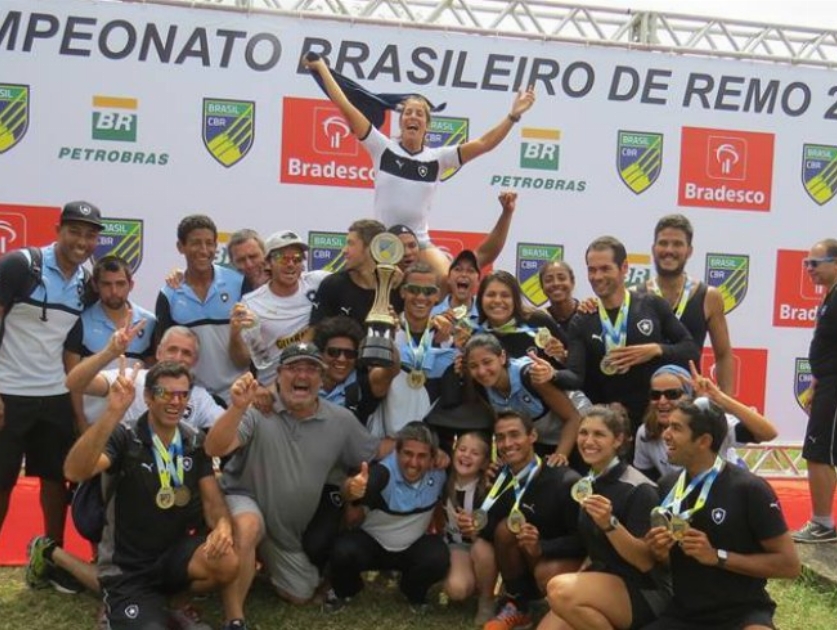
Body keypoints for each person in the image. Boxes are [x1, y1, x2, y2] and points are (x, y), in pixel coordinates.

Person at [205, 343, 390, 628]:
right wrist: (237, 407)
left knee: (301, 593)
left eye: (311, 369)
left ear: (322, 378)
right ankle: (235, 619)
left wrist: (418, 443)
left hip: (285, 534)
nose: (302, 375)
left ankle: (254, 561)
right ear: (278, 374)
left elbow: (373, 452)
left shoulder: (340, 421)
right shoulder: (257, 409)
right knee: (249, 526)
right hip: (244, 500)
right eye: (293, 368)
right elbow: (214, 447)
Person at [304, 55, 535, 280]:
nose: (413, 116)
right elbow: (346, 106)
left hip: (420, 243)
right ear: (401, 121)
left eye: (419, 113)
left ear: (427, 125)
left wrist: (513, 115)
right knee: (351, 284)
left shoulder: (439, 158)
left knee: (447, 279)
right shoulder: (382, 147)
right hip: (383, 240)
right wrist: (323, 69)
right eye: (407, 112)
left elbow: (485, 143)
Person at [62, 361, 239, 630]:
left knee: (226, 561)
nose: (174, 402)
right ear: (147, 397)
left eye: (182, 394)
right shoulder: (124, 436)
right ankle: (120, 610)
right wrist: (112, 412)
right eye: (164, 393)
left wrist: (223, 526)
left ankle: (174, 603)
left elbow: (212, 502)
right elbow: (75, 471)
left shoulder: (193, 440)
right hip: (127, 568)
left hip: (173, 558)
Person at [0, 201, 102, 569]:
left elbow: (73, 347)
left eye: (90, 234)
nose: (82, 240)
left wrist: (77, 412)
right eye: (74, 231)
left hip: (55, 394)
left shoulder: (86, 283)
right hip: (9, 393)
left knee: (55, 480)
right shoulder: (20, 264)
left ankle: (51, 557)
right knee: (3, 480)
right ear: (58, 229)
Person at [644, 398, 800, 629]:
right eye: (668, 426)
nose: (666, 434)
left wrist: (717, 556)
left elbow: (789, 566)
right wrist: (659, 552)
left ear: (704, 441)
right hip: (684, 614)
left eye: (676, 428)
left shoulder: (749, 489)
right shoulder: (667, 486)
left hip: (743, 612)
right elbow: (668, 563)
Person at [540, 406, 669, 630]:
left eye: (599, 434)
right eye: (583, 432)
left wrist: (610, 524)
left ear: (618, 440)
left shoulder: (639, 489)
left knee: (559, 590)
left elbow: (645, 562)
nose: (588, 441)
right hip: (603, 579)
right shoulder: (588, 482)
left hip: (643, 590)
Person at [559, 236, 700, 434]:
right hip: (604, 428)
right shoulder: (582, 319)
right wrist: (547, 373)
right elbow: (575, 377)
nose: (597, 276)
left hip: (650, 422)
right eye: (592, 270)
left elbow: (690, 349)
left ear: (624, 267)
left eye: (605, 268)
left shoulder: (652, 305)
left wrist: (656, 349)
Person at [471, 410, 583, 630]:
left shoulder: (564, 480)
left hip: (561, 562)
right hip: (526, 562)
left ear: (532, 436)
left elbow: (583, 542)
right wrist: (475, 520)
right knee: (505, 529)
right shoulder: (500, 477)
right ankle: (517, 604)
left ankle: (563, 610)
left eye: (514, 435)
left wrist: (542, 547)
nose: (507, 443)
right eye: (500, 437)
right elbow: (491, 533)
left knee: (546, 573)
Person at [327, 421, 449, 615]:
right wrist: (351, 490)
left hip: (411, 548)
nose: (414, 463)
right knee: (342, 550)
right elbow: (351, 504)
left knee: (438, 556)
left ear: (433, 456)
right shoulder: (382, 473)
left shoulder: (440, 472)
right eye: (407, 454)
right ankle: (346, 591)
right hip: (372, 546)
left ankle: (413, 592)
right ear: (396, 453)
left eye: (422, 456)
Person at [155, 214, 251, 404]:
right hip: (192, 398)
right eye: (196, 243)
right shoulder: (169, 294)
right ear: (180, 247)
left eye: (209, 243)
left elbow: (252, 344)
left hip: (238, 393)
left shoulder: (238, 283)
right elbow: (164, 358)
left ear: (216, 246)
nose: (204, 250)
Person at [634, 364, 777, 482]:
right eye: (655, 395)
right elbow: (648, 483)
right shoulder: (646, 432)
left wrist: (720, 397)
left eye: (672, 394)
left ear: (689, 396)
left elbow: (768, 433)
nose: (662, 401)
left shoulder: (712, 422)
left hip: (728, 492)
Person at [65, 324, 224, 429]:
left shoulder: (200, 398)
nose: (177, 357)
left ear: (195, 361)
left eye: (186, 353)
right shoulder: (130, 378)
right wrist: (109, 352)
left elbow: (230, 429)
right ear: (158, 353)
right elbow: (74, 383)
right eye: (172, 350)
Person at [641, 214, 733, 393]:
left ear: (689, 250)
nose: (669, 250)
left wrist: (726, 404)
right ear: (653, 248)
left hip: (690, 405)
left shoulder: (709, 296)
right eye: (663, 243)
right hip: (648, 401)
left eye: (677, 244)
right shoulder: (636, 295)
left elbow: (723, 355)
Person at [366, 262, 458, 442]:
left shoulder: (446, 337)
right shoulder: (386, 330)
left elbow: (448, 400)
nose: (421, 297)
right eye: (414, 290)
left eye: (429, 291)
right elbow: (374, 388)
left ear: (437, 296)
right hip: (387, 440)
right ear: (402, 292)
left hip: (428, 448)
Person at [65, 255, 157, 426]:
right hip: (94, 422)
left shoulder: (148, 322)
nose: (114, 291)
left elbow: (155, 374)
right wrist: (81, 421)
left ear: (131, 285)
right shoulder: (81, 322)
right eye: (107, 284)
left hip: (134, 423)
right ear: (95, 285)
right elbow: (73, 380)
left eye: (120, 284)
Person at [463, 333, 580, 467]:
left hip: (578, 433)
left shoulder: (531, 376)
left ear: (502, 357)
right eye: (473, 366)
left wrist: (560, 455)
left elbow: (573, 418)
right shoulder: (481, 387)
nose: (482, 371)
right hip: (543, 443)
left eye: (487, 362)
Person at [231, 230, 328, 382]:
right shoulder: (251, 303)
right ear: (268, 263)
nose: (290, 264)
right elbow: (242, 361)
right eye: (283, 258)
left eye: (296, 259)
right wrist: (235, 334)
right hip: (272, 390)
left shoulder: (317, 282)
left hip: (312, 383)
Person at [793, 238, 837, 543]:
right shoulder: (829, 297)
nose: (808, 269)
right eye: (806, 263)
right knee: (820, 451)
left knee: (818, 452)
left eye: (814, 263)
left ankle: (822, 523)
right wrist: (817, 381)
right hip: (828, 382)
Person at [441, 431, 498, 625]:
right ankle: (470, 583)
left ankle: (487, 599)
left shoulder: (488, 489)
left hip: (483, 548)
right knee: (457, 590)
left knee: (482, 549)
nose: (466, 455)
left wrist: (475, 531)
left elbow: (493, 531)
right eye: (462, 449)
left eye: (475, 453)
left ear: (484, 462)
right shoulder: (444, 481)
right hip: (457, 546)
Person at [309, 219, 403, 327]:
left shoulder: (398, 287)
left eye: (350, 244)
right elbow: (316, 332)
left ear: (371, 248)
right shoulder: (332, 285)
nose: (344, 250)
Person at [539, 260, 579, 335]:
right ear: (542, 287)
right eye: (549, 280)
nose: (556, 283)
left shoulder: (587, 315)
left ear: (572, 282)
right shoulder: (540, 321)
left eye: (562, 278)